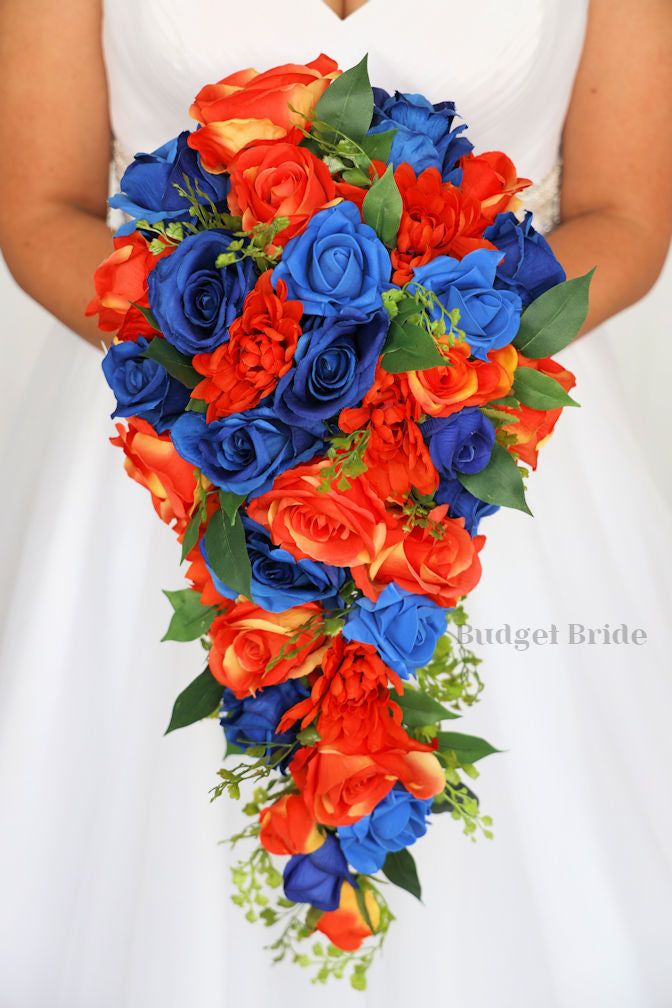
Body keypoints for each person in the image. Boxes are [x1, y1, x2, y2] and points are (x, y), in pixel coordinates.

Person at [0, 1, 670, 1005]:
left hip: (474, 442)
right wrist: (232, 358)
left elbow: (626, 215)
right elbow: (39, 208)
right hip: (180, 446)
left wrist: (417, 359)